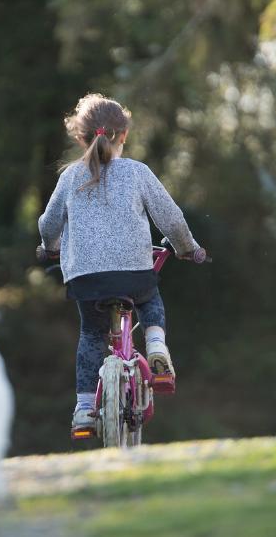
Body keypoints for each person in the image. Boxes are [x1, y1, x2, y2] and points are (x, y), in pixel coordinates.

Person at [37, 93, 207, 437]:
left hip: (85, 279)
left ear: (81, 138)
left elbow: (49, 223)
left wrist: (49, 247)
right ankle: (157, 346)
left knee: (91, 333)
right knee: (150, 300)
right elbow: (171, 219)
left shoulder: (70, 177)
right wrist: (188, 248)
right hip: (134, 274)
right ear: (124, 135)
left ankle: (84, 408)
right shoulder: (137, 173)